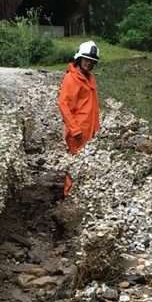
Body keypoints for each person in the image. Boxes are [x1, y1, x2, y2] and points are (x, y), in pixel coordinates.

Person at [57, 40, 101, 196]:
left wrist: (97, 128)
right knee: (75, 162)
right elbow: (63, 105)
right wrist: (74, 129)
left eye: (92, 61)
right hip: (78, 132)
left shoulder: (90, 78)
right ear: (79, 58)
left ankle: (80, 193)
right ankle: (68, 194)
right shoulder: (71, 78)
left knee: (85, 163)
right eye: (86, 59)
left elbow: (92, 106)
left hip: (90, 130)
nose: (89, 63)